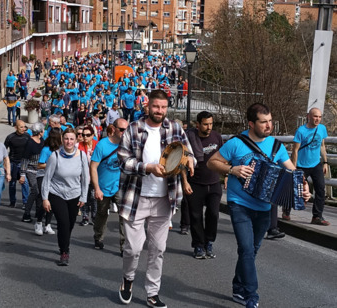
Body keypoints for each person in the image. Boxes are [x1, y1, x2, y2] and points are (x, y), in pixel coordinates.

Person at [207, 103, 310, 308]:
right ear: (251, 123)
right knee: (245, 249)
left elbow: (293, 173)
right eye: (263, 122)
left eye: (270, 121)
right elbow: (212, 162)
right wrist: (233, 170)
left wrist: (304, 188)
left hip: (265, 208)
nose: (268, 125)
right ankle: (251, 296)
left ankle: (238, 286)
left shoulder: (276, 146)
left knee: (251, 251)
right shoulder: (236, 143)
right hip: (240, 204)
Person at [117, 90, 194, 308]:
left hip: (165, 199)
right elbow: (123, 161)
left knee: (158, 249)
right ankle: (128, 279)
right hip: (136, 198)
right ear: (148, 106)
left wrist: (189, 160)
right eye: (155, 107)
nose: (159, 111)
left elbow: (188, 153)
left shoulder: (176, 128)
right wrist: (148, 167)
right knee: (133, 248)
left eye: (163, 107)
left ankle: (152, 292)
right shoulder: (134, 129)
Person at [41, 128, 89, 266]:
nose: (69, 142)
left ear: (76, 140)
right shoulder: (55, 156)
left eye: (72, 139)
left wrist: (83, 197)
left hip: (74, 194)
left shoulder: (81, 156)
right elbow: (47, 179)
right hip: (57, 193)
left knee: (70, 223)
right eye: (66, 138)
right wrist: (45, 198)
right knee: (63, 223)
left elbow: (86, 178)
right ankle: (64, 251)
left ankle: (64, 241)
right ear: (62, 139)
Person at [184, 111, 223, 259]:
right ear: (198, 124)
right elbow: (182, 161)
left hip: (214, 183)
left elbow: (224, 157)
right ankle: (198, 245)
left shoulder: (217, 137)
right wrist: (185, 181)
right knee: (196, 217)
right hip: (195, 183)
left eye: (211, 124)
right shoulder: (189, 139)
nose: (209, 127)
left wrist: (225, 175)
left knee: (213, 214)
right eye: (205, 124)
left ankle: (209, 242)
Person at [286, 107, 330, 226]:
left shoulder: (322, 128)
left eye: (320, 117)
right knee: (295, 188)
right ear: (308, 116)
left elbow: (322, 146)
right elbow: (295, 151)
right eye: (315, 116)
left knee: (320, 189)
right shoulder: (301, 131)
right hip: (301, 165)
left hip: (316, 164)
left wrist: (325, 162)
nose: (318, 119)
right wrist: (294, 168)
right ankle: (286, 211)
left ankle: (317, 216)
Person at [90, 118, 128, 253]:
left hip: (120, 186)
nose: (125, 132)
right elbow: (93, 167)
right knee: (102, 214)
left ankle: (124, 246)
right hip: (103, 186)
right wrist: (97, 188)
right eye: (122, 129)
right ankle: (98, 237)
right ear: (114, 129)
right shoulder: (102, 145)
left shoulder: (127, 145)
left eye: (126, 129)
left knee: (124, 215)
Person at [34, 128, 62, 235]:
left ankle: (48, 224)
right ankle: (39, 222)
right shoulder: (46, 150)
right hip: (43, 176)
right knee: (44, 199)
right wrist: (52, 164)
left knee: (53, 200)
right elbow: (40, 165)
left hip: (55, 177)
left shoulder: (61, 150)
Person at [19, 123, 45, 223]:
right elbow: (25, 159)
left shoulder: (41, 140)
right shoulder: (29, 143)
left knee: (40, 192)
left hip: (40, 170)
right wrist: (22, 174)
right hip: (30, 169)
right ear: (39, 132)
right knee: (35, 190)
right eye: (42, 130)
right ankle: (26, 213)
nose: (43, 132)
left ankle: (39, 212)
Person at [4, 120, 30, 208]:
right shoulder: (10, 137)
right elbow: (4, 150)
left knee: (25, 182)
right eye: (21, 127)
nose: (23, 129)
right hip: (12, 162)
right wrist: (5, 164)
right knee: (12, 183)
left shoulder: (27, 136)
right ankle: (12, 201)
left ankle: (25, 202)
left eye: (24, 127)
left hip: (23, 163)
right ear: (16, 127)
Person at [78, 126, 98, 226]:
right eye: (83, 135)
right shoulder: (79, 145)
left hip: (95, 176)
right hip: (83, 177)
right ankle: (85, 217)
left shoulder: (98, 145)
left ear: (92, 136)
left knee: (94, 197)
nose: (85, 137)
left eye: (88, 135)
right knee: (84, 197)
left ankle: (94, 217)